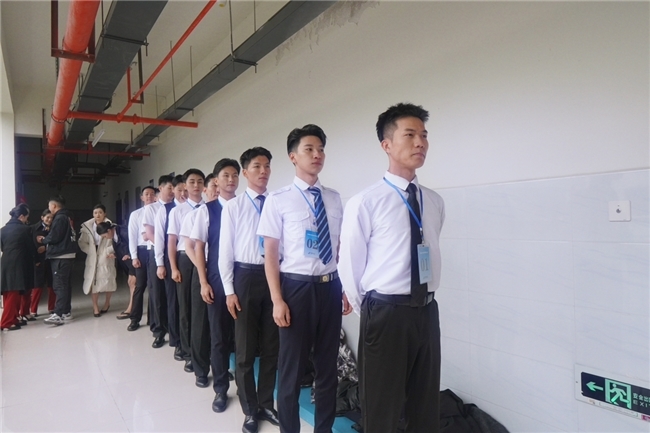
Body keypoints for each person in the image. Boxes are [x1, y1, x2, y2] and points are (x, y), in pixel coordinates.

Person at [339, 103, 445, 433]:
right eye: (410, 135)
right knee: (381, 408)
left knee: (425, 405)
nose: (420, 143)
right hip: (385, 313)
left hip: (426, 312)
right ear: (386, 145)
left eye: (424, 135)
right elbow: (349, 265)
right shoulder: (366, 202)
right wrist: (373, 310)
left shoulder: (434, 201)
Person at [257, 124, 352, 433]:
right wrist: (277, 300)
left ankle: (323, 429)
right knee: (292, 370)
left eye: (320, 149)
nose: (317, 155)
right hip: (296, 288)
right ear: (293, 157)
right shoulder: (279, 200)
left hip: (330, 287)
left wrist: (344, 287)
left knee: (328, 369)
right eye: (309, 149)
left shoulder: (334, 198)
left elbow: (339, 248)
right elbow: (270, 255)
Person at [219, 147, 279, 433]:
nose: (263, 171)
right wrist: (229, 290)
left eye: (267, 166)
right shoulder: (234, 206)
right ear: (245, 172)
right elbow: (225, 251)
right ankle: (249, 410)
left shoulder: (277, 202)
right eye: (257, 166)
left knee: (272, 346)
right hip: (245, 276)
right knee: (244, 349)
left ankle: (266, 403)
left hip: (275, 277)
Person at [191, 158, 239, 413]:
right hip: (216, 280)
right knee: (219, 336)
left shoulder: (246, 206)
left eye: (235, 175)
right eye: (225, 176)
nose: (231, 180)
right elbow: (199, 247)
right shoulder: (206, 211)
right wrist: (203, 281)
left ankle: (245, 387)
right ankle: (221, 389)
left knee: (243, 337)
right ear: (216, 181)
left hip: (243, 279)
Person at [167, 168, 205, 374]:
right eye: (192, 182)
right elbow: (172, 242)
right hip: (184, 260)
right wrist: (173, 267)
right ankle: (187, 351)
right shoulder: (178, 211)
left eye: (200, 181)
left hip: (205, 259)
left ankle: (202, 350)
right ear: (185, 186)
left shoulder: (208, 208)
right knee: (186, 307)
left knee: (202, 309)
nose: (196, 185)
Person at [181, 173, 217, 388]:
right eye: (213, 186)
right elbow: (189, 247)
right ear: (206, 190)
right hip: (201, 270)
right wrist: (203, 271)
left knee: (220, 324)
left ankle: (219, 366)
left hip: (223, 272)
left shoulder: (229, 211)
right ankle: (200, 369)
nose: (217, 190)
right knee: (200, 322)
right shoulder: (195, 215)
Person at [153, 173, 186, 355]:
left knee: (186, 302)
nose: (182, 193)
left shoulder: (196, 208)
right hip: (170, 259)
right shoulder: (165, 210)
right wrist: (160, 264)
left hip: (190, 259)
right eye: (179, 189)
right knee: (174, 302)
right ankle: (177, 340)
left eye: (185, 189)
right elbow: (160, 239)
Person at [142, 175, 174, 349]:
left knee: (171, 293)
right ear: (160, 189)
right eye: (169, 188)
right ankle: (159, 331)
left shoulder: (177, 206)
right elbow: (149, 234)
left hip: (173, 255)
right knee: (158, 294)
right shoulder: (152, 209)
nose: (172, 191)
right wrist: (165, 249)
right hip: (156, 254)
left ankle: (171, 327)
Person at [37, 196, 77, 326]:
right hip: (68, 254)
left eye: (49, 206)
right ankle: (66, 312)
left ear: (54, 206)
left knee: (59, 285)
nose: (49, 209)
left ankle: (58, 314)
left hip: (61, 255)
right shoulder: (68, 216)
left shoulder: (59, 218)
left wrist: (44, 240)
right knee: (65, 285)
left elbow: (55, 237)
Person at [127, 185, 157, 331]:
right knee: (140, 286)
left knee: (154, 286)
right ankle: (135, 318)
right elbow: (132, 237)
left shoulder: (159, 211)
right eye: (146, 194)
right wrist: (134, 256)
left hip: (155, 250)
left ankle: (153, 319)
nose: (149, 196)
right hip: (141, 251)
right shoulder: (136, 214)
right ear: (142, 197)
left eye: (152, 193)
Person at [78, 204, 117, 317]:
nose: (98, 215)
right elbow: (82, 242)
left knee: (108, 280)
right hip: (93, 255)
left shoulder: (110, 226)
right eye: (95, 213)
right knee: (93, 281)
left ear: (105, 214)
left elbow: (115, 241)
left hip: (106, 256)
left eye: (100, 212)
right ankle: (95, 307)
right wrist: (90, 251)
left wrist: (109, 251)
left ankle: (107, 303)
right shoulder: (88, 227)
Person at [1, 204, 35, 331]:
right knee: (14, 293)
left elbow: (3, 247)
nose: (27, 220)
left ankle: (13, 318)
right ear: (21, 216)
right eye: (26, 217)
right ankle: (6, 322)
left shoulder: (2, 230)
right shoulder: (25, 229)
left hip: (5, 262)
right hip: (19, 263)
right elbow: (30, 248)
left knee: (8, 292)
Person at [96, 221, 134, 311]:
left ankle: (131, 308)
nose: (106, 238)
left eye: (105, 236)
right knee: (132, 283)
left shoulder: (124, 232)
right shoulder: (114, 235)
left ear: (109, 231)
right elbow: (122, 248)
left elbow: (135, 243)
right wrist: (116, 254)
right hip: (128, 262)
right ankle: (132, 308)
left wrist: (130, 254)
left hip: (135, 260)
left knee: (132, 283)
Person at [28, 209, 54, 318]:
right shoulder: (33, 228)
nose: (49, 219)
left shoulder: (55, 228)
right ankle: (33, 310)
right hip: (39, 261)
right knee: (37, 285)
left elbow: (58, 242)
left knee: (52, 285)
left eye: (51, 218)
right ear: (42, 217)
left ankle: (52, 308)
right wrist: (35, 261)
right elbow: (32, 246)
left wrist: (46, 247)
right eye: (47, 217)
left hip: (52, 260)